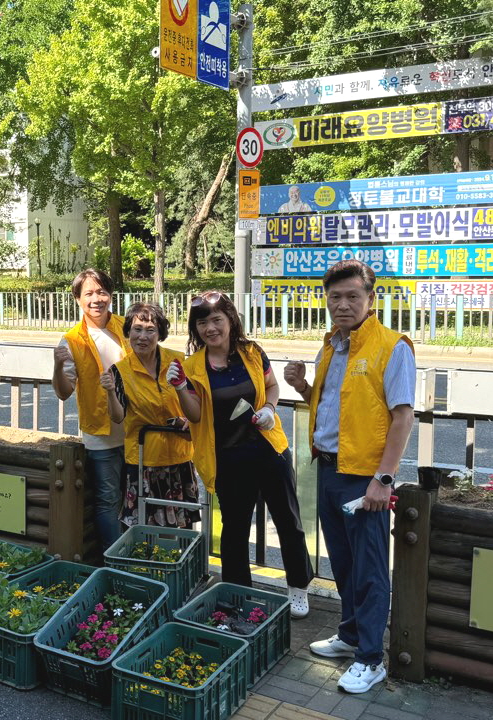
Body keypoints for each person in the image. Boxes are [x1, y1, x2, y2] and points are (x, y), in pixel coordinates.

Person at [284, 259, 415, 695]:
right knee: (342, 562)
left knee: (370, 570)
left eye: (352, 296)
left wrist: (384, 479)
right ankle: (351, 635)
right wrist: (303, 387)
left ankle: (371, 659)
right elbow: (332, 409)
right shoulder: (330, 347)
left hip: (364, 479)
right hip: (329, 468)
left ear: (370, 298)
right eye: (335, 297)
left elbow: (402, 417)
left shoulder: (392, 347)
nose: (342, 304)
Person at [171, 291, 313, 617]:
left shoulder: (252, 352)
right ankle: (237, 593)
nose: (210, 328)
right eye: (202, 322)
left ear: (230, 320)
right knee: (234, 529)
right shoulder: (192, 367)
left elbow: (273, 386)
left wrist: (270, 409)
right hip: (227, 458)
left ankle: (298, 587)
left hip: (269, 450)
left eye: (216, 319)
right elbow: (194, 415)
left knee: (288, 519)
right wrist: (179, 388)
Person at [52, 269, 131, 552]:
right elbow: (63, 392)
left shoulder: (128, 327)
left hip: (136, 430)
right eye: (88, 293)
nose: (96, 299)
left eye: (101, 292)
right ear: (77, 299)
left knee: (135, 498)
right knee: (108, 500)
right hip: (100, 435)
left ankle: (136, 556)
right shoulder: (72, 340)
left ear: (111, 295)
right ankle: (116, 559)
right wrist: (58, 366)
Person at [100, 303, 198, 529]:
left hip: (179, 458)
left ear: (160, 333)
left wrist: (187, 420)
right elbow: (117, 417)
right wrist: (110, 392)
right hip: (143, 462)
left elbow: (195, 402)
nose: (142, 336)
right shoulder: (119, 371)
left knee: (181, 528)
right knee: (145, 529)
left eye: (150, 330)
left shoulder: (179, 361)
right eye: (137, 329)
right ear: (128, 332)